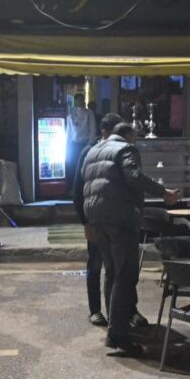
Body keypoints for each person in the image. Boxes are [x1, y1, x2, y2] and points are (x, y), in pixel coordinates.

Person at [79, 122, 179, 354]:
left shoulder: (93, 151)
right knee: (125, 275)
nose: (135, 142)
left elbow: (84, 181)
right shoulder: (125, 148)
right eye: (134, 137)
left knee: (111, 272)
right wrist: (163, 193)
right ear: (126, 135)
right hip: (119, 218)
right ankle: (118, 335)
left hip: (96, 218)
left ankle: (115, 326)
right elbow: (134, 176)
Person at [72, 112, 122, 327]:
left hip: (115, 219)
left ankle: (124, 310)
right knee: (95, 264)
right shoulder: (89, 152)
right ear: (104, 132)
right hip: (95, 218)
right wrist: (85, 222)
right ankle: (95, 310)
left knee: (118, 267)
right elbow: (78, 190)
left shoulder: (118, 151)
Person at [66, 93, 95, 188]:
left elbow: (92, 128)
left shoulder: (89, 113)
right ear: (75, 101)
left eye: (81, 99)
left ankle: (83, 185)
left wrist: (90, 143)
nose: (80, 102)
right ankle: (74, 186)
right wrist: (67, 144)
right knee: (73, 165)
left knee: (84, 165)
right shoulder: (71, 114)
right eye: (78, 100)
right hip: (74, 144)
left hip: (85, 143)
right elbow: (69, 131)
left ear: (84, 100)